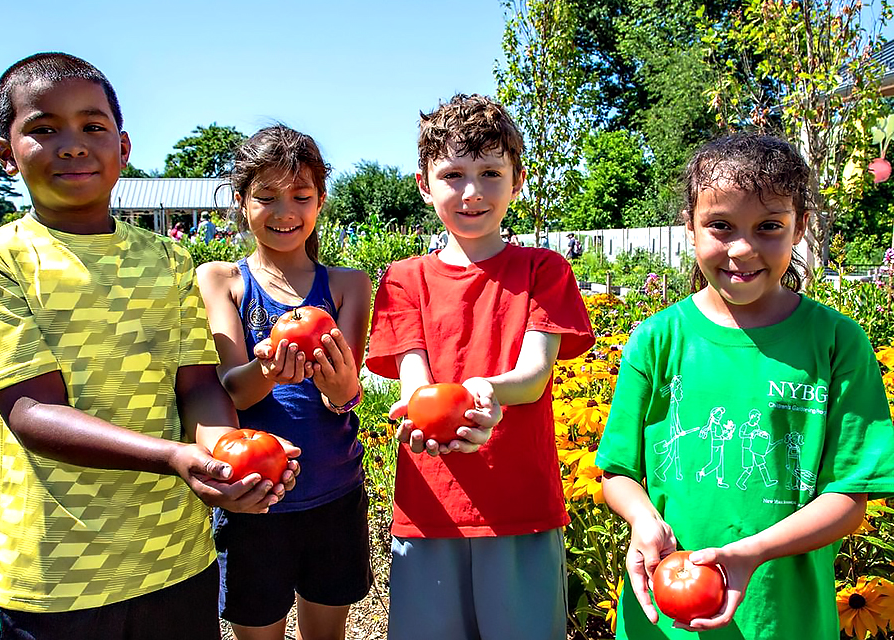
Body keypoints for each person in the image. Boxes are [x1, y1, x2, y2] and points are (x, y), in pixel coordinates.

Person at [0, 52, 299, 640]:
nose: (72, 145)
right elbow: (31, 411)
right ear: (5, 153)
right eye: (44, 129)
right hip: (62, 573)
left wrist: (229, 455)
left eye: (93, 126)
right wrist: (173, 457)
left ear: (124, 146)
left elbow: (197, 386)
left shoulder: (168, 258)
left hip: (179, 559)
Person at [597, 133, 894, 639]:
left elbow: (849, 497)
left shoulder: (836, 343)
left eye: (769, 226)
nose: (742, 249)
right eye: (720, 226)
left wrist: (752, 552)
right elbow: (617, 472)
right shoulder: (657, 339)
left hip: (782, 618)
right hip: (662, 619)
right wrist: (643, 519)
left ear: (800, 226)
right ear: (689, 227)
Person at [366, 94, 596, 640]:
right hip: (430, 507)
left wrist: (481, 392)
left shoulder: (544, 270)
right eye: (453, 175)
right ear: (424, 185)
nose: (472, 192)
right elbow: (416, 381)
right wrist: (425, 416)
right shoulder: (403, 279)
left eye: (491, 173)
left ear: (518, 182)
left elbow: (534, 375)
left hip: (519, 503)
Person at [196, 124, 373, 640]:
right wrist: (269, 370)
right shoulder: (222, 280)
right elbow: (233, 390)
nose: (284, 211)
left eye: (300, 195)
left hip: (334, 491)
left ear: (320, 201)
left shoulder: (348, 285)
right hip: (254, 493)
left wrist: (339, 389)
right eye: (266, 196)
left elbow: (345, 396)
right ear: (241, 201)